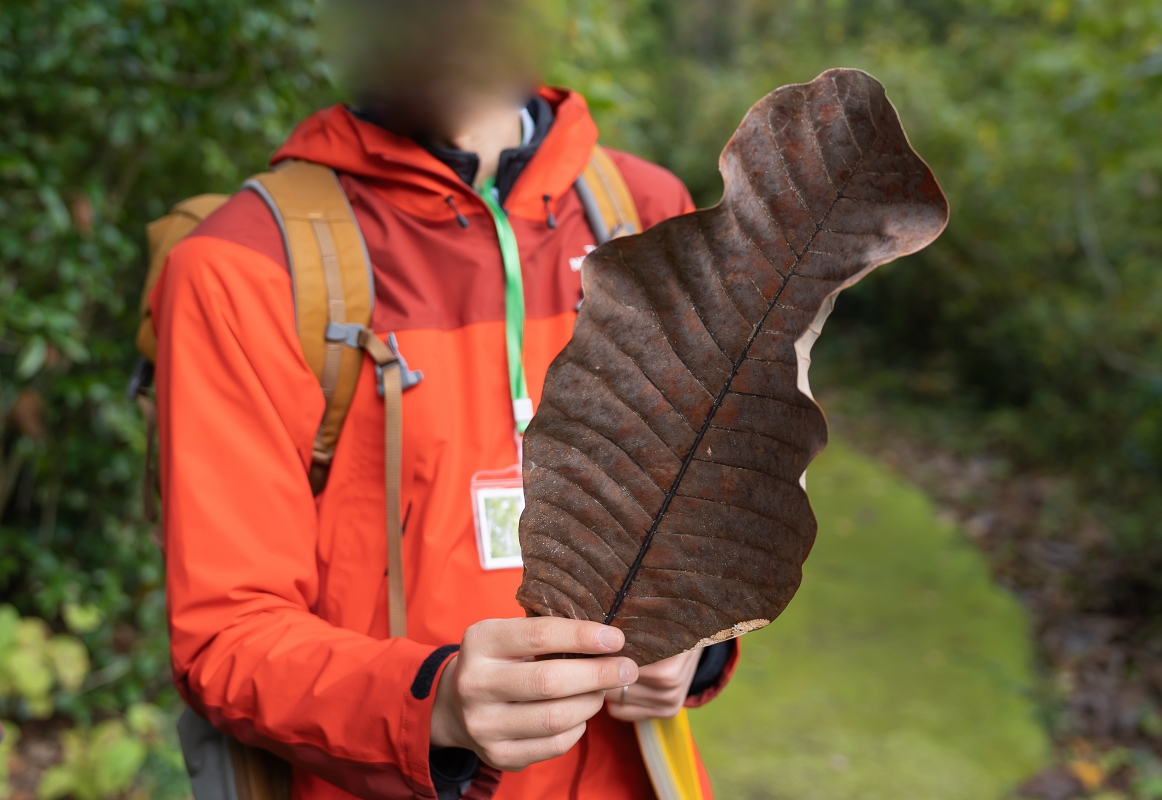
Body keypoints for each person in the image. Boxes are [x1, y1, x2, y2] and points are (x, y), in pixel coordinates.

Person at [150, 5, 737, 799]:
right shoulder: (242, 267)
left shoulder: (643, 212)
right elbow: (226, 635)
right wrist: (436, 704)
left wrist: (697, 641)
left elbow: (716, 503)